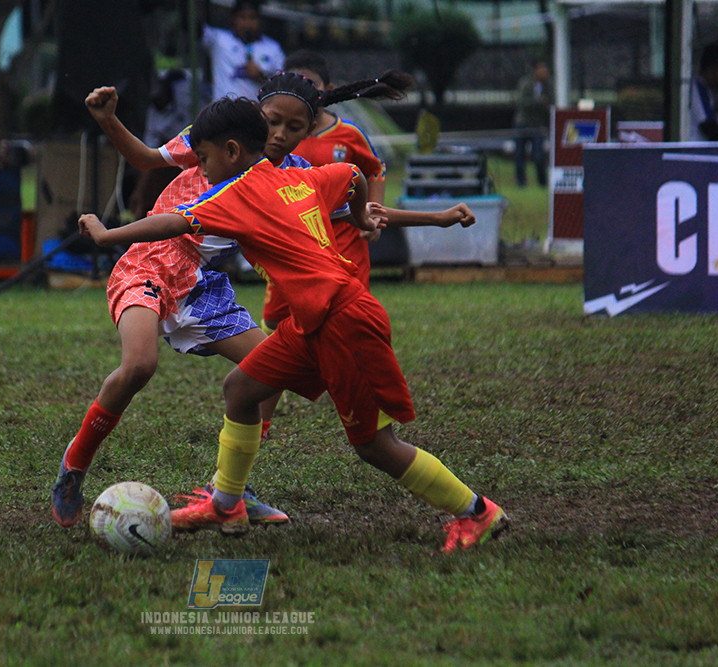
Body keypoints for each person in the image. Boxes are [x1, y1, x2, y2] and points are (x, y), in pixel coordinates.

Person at [78, 97, 509, 554]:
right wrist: (362, 216)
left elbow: (171, 224)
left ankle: (476, 511)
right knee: (242, 389)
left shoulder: (233, 195)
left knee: (374, 445)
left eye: (203, 158)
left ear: (231, 151)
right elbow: (353, 177)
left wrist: (107, 235)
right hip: (311, 321)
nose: (201, 169)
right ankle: (225, 504)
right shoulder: (300, 178)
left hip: (343, 321)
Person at [52, 71, 396, 529]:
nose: (279, 134)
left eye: (294, 127)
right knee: (139, 366)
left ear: (308, 130)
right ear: (256, 116)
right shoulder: (214, 132)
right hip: (149, 264)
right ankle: (74, 464)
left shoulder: (293, 174)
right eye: (272, 121)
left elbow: (357, 204)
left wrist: (437, 218)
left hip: (204, 284)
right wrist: (108, 120)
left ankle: (231, 490)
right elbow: (147, 163)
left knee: (268, 372)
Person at [261, 50, 401, 331]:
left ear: (329, 89)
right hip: (297, 239)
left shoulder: (349, 134)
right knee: (276, 318)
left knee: (348, 310)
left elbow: (375, 169)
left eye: (311, 84)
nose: (301, 91)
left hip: (345, 235)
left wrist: (372, 213)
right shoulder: (273, 137)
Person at [203, 0, 285, 101]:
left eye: (252, 18)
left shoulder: (272, 48)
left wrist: (261, 76)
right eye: (242, 17)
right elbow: (194, 27)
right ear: (233, 18)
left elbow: (283, 85)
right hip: (224, 108)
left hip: (256, 108)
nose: (247, 23)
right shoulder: (219, 39)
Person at [512, 59, 553, 187]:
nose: (545, 72)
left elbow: (550, 102)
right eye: (542, 69)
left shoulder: (548, 85)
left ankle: (542, 182)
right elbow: (521, 102)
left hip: (538, 125)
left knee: (539, 155)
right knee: (520, 154)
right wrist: (538, 101)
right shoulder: (526, 83)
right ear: (535, 71)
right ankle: (521, 182)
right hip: (523, 123)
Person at [690, 43, 718, 142]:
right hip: (694, 147)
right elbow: (709, 128)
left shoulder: (706, 90)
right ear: (716, 69)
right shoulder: (698, 88)